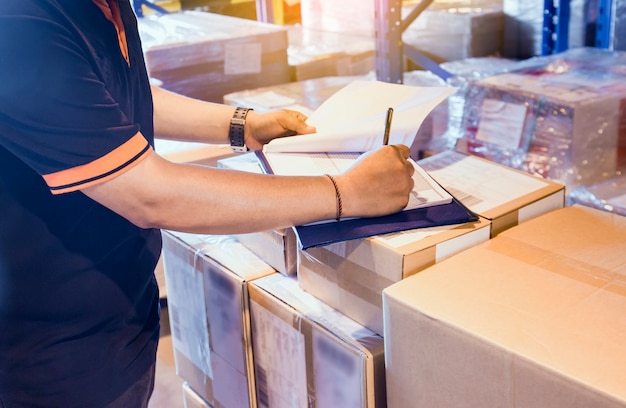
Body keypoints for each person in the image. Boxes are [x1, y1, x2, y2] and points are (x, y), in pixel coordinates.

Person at [0, 0, 414, 407]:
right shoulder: (18, 20)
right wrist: (347, 192)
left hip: (119, 311)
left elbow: (106, 97)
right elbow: (151, 193)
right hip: (45, 352)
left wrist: (242, 125)